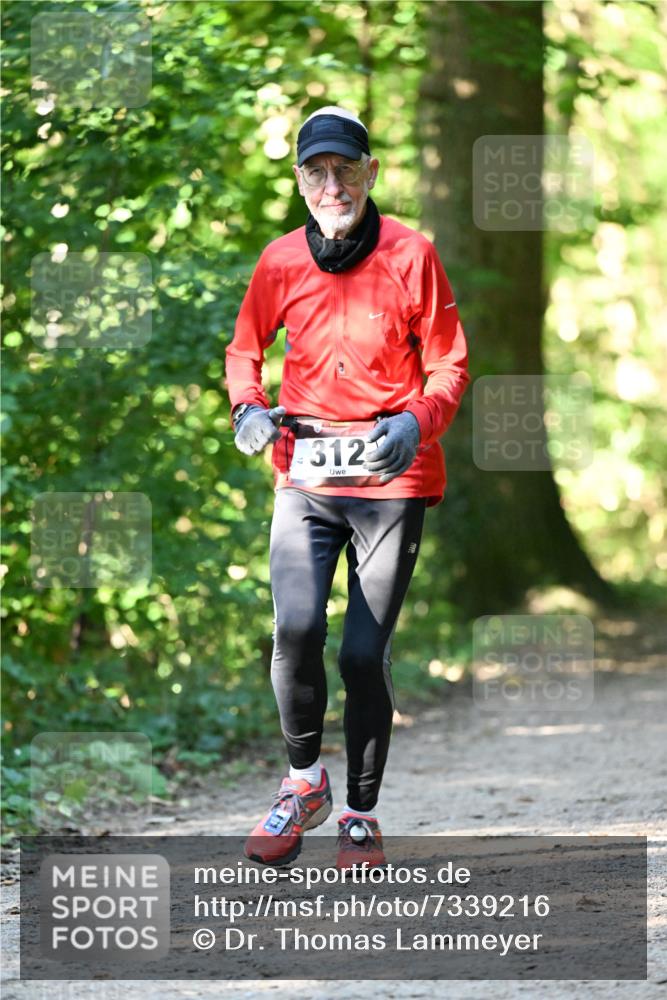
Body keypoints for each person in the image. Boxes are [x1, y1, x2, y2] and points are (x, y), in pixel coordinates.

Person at [225, 106, 469, 869]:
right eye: (315, 172)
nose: (331, 184)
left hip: (391, 481)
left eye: (344, 169)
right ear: (300, 183)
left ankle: (359, 814)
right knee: (294, 630)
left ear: (370, 173)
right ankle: (303, 784)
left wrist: (416, 423)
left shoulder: (411, 254)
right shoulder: (277, 262)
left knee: (363, 655)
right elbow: (243, 350)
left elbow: (449, 365)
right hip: (305, 475)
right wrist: (248, 409)